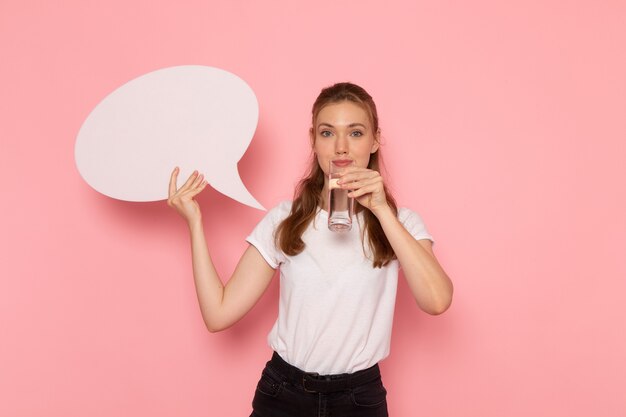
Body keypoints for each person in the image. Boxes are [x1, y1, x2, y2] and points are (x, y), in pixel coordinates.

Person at [167, 82, 453, 416]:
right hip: (283, 394)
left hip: (359, 400)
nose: (342, 148)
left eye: (356, 133)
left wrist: (382, 211)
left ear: (375, 140)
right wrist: (195, 222)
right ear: (313, 140)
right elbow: (218, 314)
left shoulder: (401, 222)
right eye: (328, 133)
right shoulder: (284, 220)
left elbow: (437, 301)